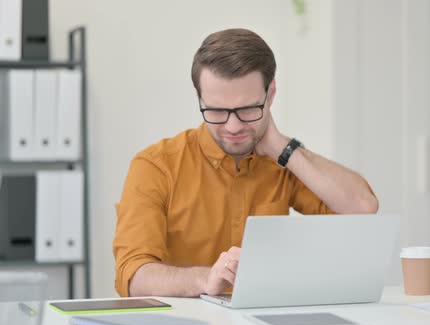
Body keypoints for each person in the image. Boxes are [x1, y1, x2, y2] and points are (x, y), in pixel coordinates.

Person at [113, 28, 378, 298]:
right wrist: (206, 280)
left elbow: (362, 208)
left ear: (270, 94)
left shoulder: (282, 163)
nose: (233, 126)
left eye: (248, 109)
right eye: (216, 110)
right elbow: (134, 275)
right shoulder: (155, 166)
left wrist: (282, 147)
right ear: (200, 98)